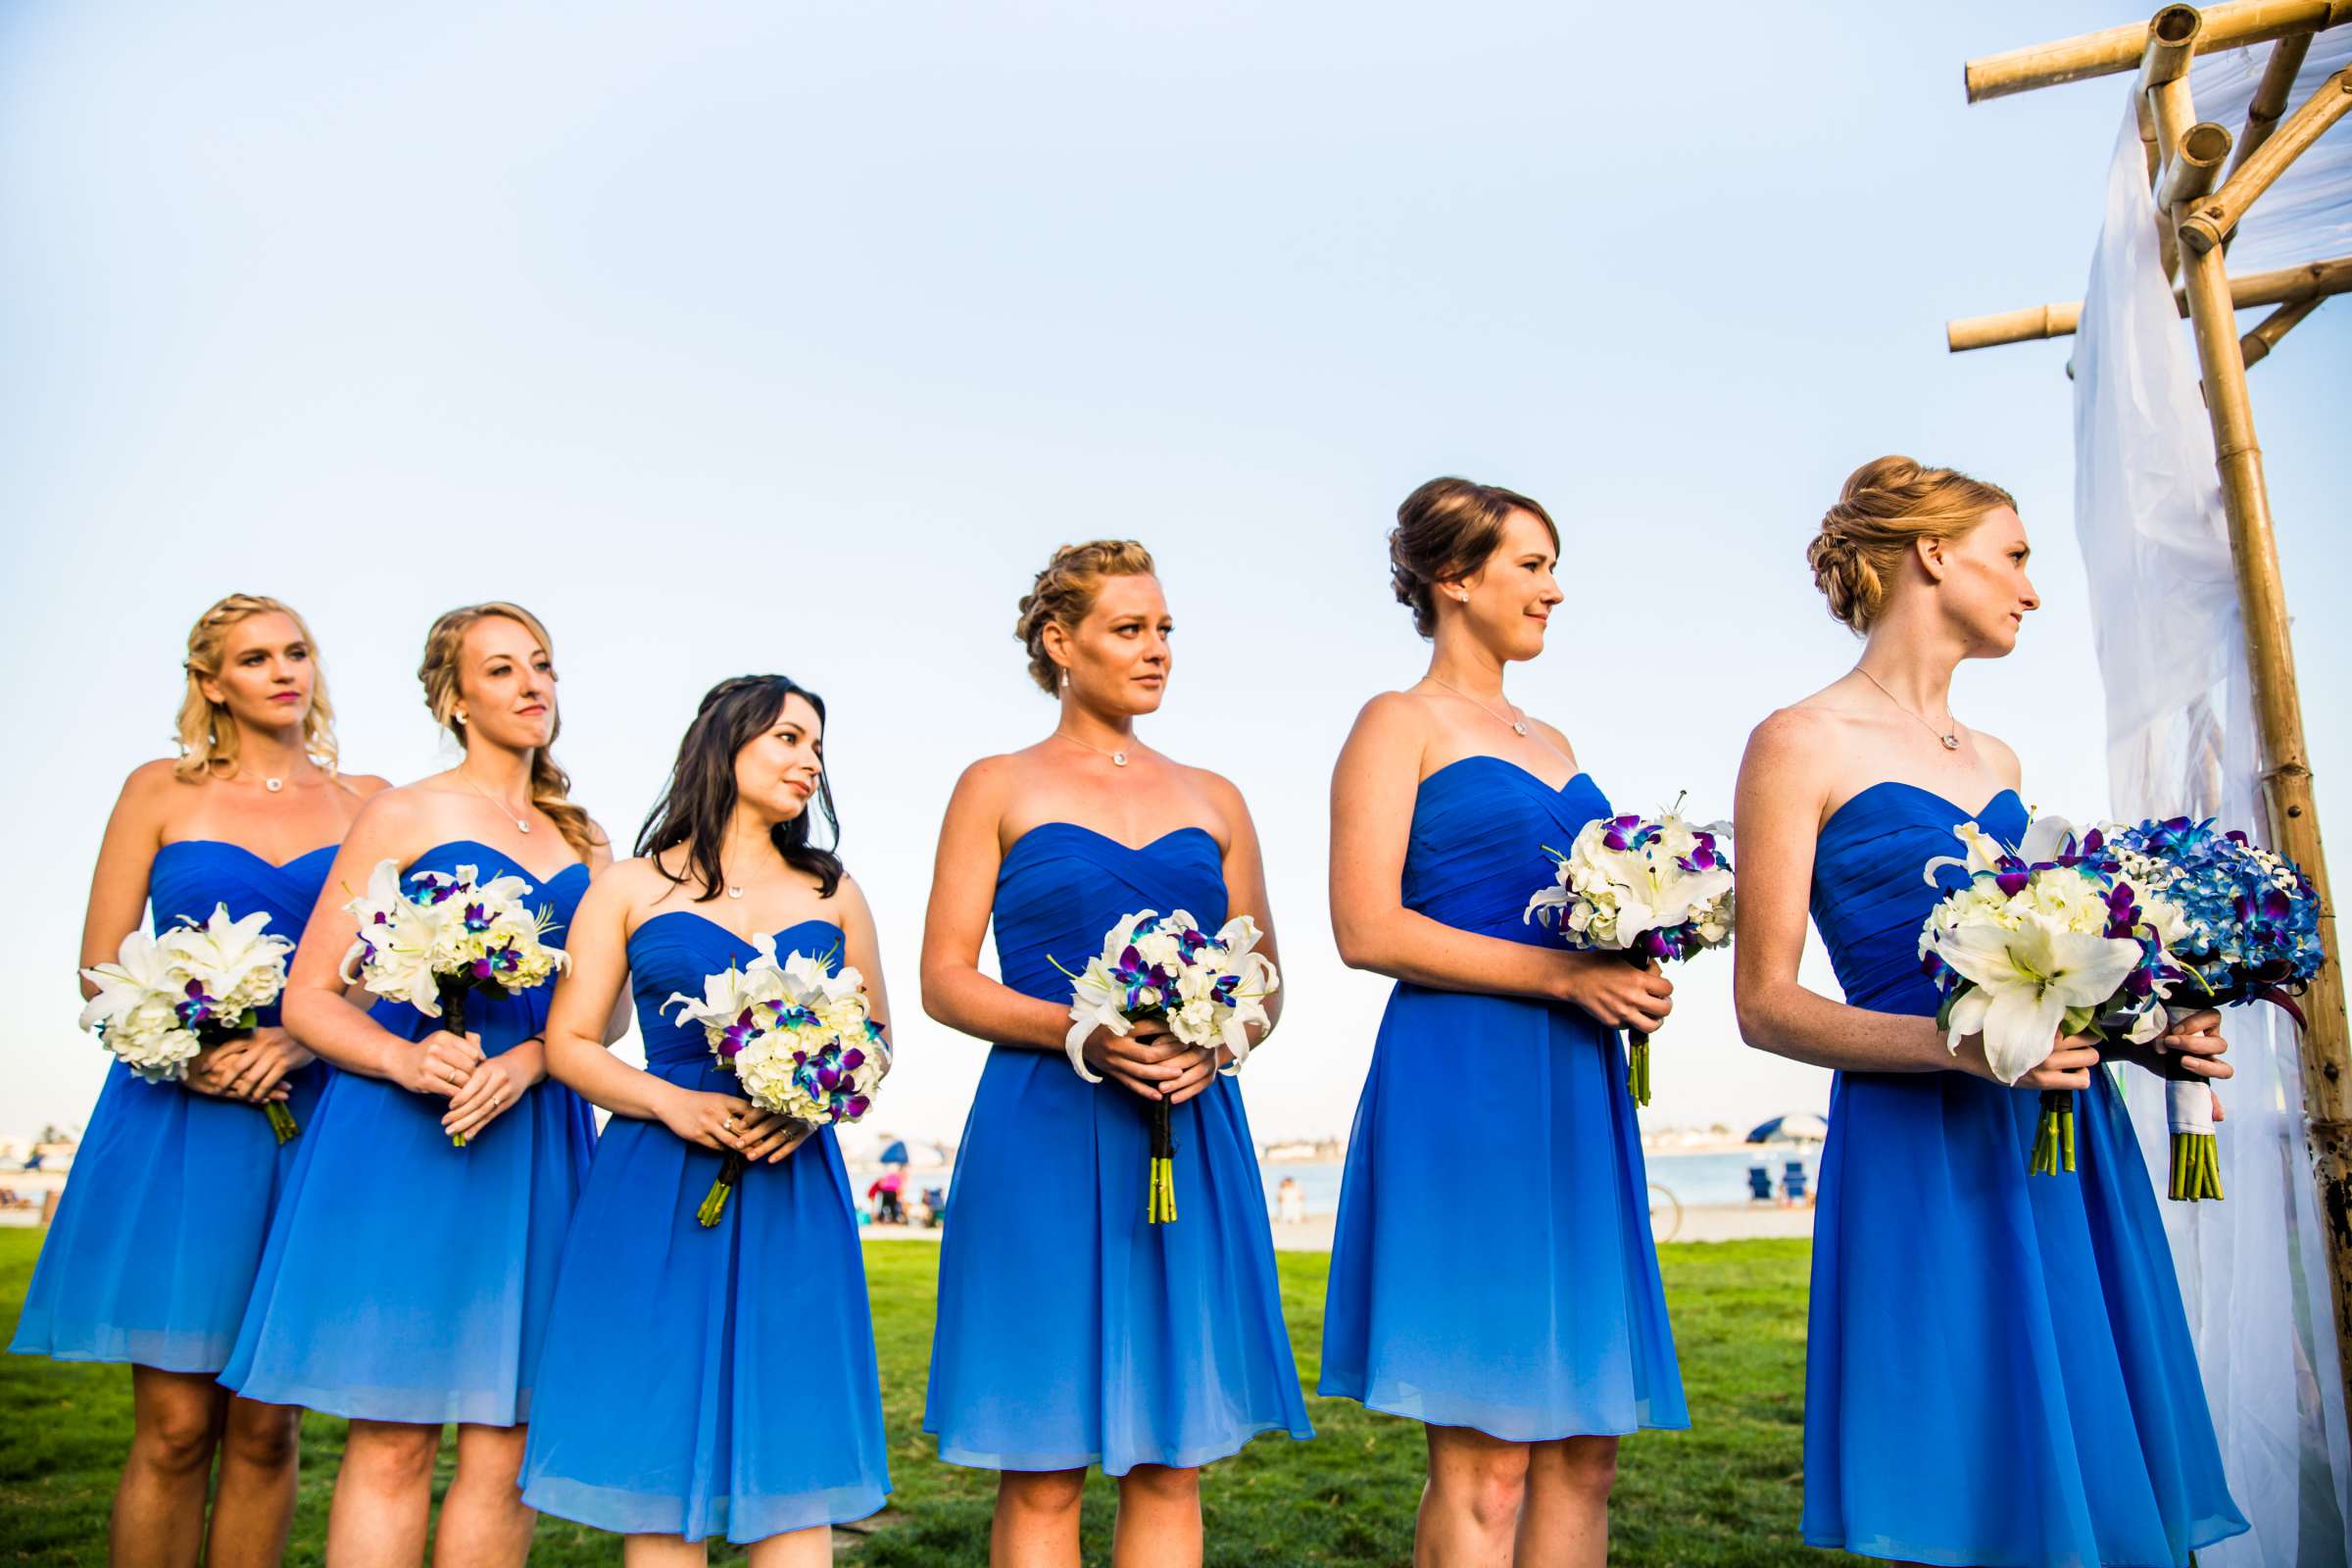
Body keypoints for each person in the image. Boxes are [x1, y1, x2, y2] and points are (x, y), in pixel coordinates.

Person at [1732, 455, 2246, 1564]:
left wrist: (2143, 1037)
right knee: (1972, 1480)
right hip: (1926, 1141)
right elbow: (1765, 1006)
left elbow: (2039, 973)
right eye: (2014, 556)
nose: (2030, 587)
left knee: (2095, 1484)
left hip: (2066, 1143)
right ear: (1931, 553)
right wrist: (1961, 1054)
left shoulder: (2000, 758)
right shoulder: (1798, 742)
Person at [920, 540, 1312, 1567]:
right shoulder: (994, 784)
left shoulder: (1216, 797)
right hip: (1042, 1128)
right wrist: (1073, 1029)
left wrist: (1220, 1048)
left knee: (1170, 1459)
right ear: (1060, 642)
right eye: (1129, 629)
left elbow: (1264, 983)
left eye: (1166, 629)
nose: (1157, 651)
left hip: (1183, 1129)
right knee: (1043, 1463)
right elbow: (944, 977)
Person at [1319, 478, 1684, 1566]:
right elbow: (1365, 925)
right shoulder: (1398, 722)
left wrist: (1639, 951)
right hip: (1465, 1082)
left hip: (1577, 1086)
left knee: (1586, 1449)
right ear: (1455, 580)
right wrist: (1564, 979)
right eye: (1531, 566)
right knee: (1490, 1456)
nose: (1555, 591)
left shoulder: (1555, 735)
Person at [222, 602, 609, 1568]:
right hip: (404, 1132)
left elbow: (606, 1015)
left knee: (508, 1437)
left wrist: (534, 1059)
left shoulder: (586, 840)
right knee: (392, 1429)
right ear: (454, 699)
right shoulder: (404, 813)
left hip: (534, 1134)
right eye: (502, 670)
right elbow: (310, 997)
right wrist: (402, 1057)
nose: (533, 686)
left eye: (543, 665)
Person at [11, 593, 385, 1568]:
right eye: (255, 658)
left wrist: (304, 1042)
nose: (283, 671)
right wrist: (186, 1047)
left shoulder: (368, 804)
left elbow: (390, 973)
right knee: (175, 1428)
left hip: (311, 1124)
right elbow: (100, 969)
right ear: (211, 682)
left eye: (296, 651)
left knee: (267, 1430)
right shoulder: (157, 791)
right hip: (178, 1123)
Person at [517, 673, 891, 1562]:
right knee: (657, 1456)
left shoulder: (832, 890)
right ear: (727, 744)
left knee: (794, 1448)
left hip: (792, 1180)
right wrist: (671, 1103)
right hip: (654, 1178)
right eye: (789, 740)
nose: (810, 762)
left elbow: (875, 1037)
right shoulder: (628, 887)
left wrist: (813, 1107)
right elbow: (569, 1042)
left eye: (818, 747)